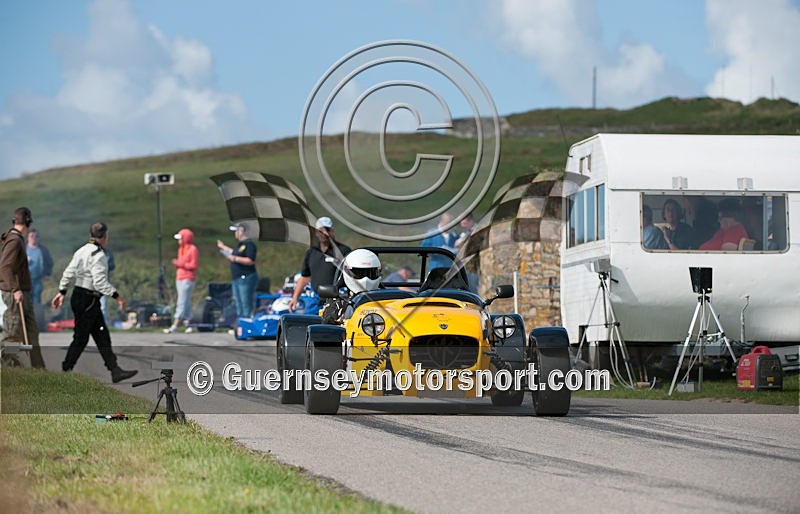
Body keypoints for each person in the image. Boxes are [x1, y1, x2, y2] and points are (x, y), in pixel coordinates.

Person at [51, 222, 137, 383]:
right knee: (81, 338)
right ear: (104, 236)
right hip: (89, 299)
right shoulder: (99, 256)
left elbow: (68, 272)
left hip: (79, 296)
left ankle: (114, 370)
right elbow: (99, 283)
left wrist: (62, 292)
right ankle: (65, 369)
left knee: (102, 335)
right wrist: (118, 296)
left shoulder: (81, 251)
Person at [1, 207, 45, 368]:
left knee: (32, 333)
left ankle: (39, 370)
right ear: (27, 222)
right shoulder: (14, 240)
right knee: (11, 334)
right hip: (15, 294)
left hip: (23, 294)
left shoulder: (18, 239)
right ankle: (8, 366)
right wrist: (15, 289)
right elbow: (5, 267)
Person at [289, 216, 352, 311]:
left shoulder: (343, 251)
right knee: (309, 324)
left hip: (336, 300)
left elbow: (352, 276)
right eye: (321, 231)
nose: (324, 233)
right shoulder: (311, 252)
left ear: (332, 231)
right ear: (316, 232)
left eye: (327, 230)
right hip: (314, 301)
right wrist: (295, 298)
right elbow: (305, 277)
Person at [217, 223, 258, 319]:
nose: (235, 233)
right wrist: (223, 247)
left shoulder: (249, 244)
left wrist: (235, 259)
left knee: (245, 302)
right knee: (238, 301)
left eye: (236, 231)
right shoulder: (240, 245)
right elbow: (234, 252)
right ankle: (240, 322)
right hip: (237, 277)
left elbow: (250, 260)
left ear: (242, 231)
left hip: (246, 277)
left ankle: (246, 321)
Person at [164, 228, 199, 333]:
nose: (179, 241)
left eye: (181, 238)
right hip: (179, 277)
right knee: (186, 301)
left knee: (182, 301)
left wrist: (179, 264)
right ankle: (189, 324)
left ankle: (175, 324)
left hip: (188, 278)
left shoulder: (193, 249)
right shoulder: (181, 249)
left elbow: (193, 265)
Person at [26, 228, 54, 331]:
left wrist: (47, 274)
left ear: (38, 238)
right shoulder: (24, 249)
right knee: (26, 302)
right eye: (31, 236)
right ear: (28, 237)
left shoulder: (42, 250)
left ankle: (37, 324)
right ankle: (26, 325)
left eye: (36, 236)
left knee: (37, 302)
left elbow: (49, 262)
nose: (34, 238)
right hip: (25, 281)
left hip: (38, 280)